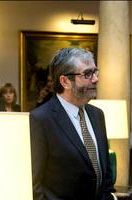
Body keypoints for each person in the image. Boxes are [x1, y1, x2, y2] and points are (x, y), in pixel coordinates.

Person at [29, 47, 115, 200]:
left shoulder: (97, 115)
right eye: (88, 74)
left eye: (95, 72)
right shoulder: (41, 119)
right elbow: (35, 185)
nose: (96, 79)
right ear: (65, 81)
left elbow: (105, 172)